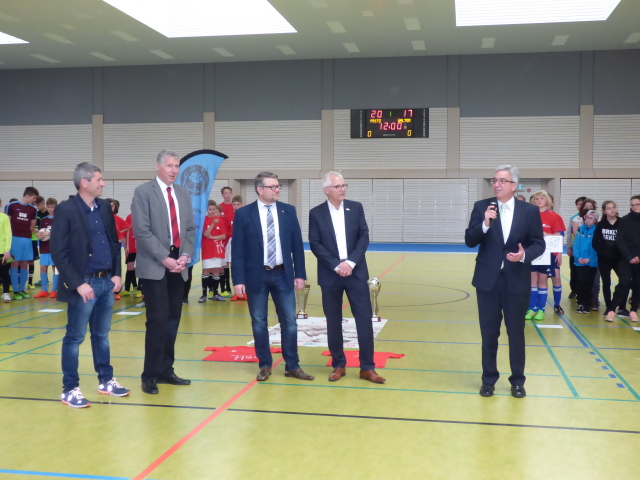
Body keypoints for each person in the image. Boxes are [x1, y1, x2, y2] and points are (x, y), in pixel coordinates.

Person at [50, 162, 130, 408]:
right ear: (84, 182)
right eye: (99, 179)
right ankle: (69, 389)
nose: (102, 183)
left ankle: (105, 380)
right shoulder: (66, 210)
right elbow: (58, 252)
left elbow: (113, 243)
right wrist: (77, 284)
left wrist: (117, 274)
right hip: (83, 284)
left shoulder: (104, 207)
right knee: (74, 337)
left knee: (101, 335)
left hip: (106, 282)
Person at [465, 165, 545, 398]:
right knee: (489, 334)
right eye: (494, 180)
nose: (497, 184)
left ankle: (517, 381)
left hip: (516, 280)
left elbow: (538, 243)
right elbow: (470, 240)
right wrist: (484, 224)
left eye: (502, 180)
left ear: (514, 185)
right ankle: (488, 379)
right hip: (487, 281)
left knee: (516, 333)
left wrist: (524, 256)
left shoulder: (529, 211)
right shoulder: (482, 207)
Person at [232, 172, 314, 382]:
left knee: (290, 322)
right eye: (273, 187)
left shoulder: (288, 211)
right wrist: (238, 279)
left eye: (278, 187)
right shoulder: (243, 214)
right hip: (255, 275)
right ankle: (265, 365)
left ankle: (292, 366)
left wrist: (300, 274)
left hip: (282, 274)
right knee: (259, 322)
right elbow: (238, 250)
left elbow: (297, 245)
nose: (277, 190)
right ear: (260, 189)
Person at [309, 171, 385, 384]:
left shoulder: (356, 208)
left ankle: (367, 368)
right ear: (327, 190)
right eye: (338, 186)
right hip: (330, 275)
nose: (343, 189)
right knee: (333, 322)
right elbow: (315, 243)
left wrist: (350, 262)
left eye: (344, 185)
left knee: (364, 321)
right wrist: (336, 265)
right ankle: (338, 365)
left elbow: (364, 236)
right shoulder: (316, 213)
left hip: (355, 272)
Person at [132, 149, 196, 395]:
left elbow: (190, 229)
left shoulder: (183, 193)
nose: (174, 170)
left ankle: (166, 370)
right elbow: (142, 231)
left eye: (177, 166)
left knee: (172, 322)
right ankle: (149, 375)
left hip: (178, 268)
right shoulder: (143, 192)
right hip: (155, 268)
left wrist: (185, 256)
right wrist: (165, 258)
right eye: (169, 165)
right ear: (158, 166)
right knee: (157, 322)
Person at [525, 190, 565, 321]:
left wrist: (548, 236)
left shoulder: (554, 216)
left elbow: (559, 236)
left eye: (542, 198)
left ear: (547, 200)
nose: (539, 200)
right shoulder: (529, 215)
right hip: (531, 253)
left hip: (546, 254)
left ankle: (541, 309)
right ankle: (532, 308)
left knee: (542, 281)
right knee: (532, 282)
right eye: (536, 198)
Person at [593, 201, 626, 321]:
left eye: (613, 207)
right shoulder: (601, 224)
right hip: (605, 259)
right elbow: (595, 242)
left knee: (624, 281)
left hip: (620, 258)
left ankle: (622, 306)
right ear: (604, 211)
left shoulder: (622, 223)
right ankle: (609, 307)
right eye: (609, 208)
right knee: (606, 283)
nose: (612, 210)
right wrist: (603, 253)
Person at [610, 195, 640, 323]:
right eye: (632, 205)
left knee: (638, 285)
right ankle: (611, 309)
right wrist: (629, 256)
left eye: (637, 204)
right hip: (626, 258)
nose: (634, 207)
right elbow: (619, 240)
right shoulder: (624, 220)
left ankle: (633, 310)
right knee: (624, 283)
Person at [6, 187, 39, 300]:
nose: (34, 200)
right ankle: (15, 291)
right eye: (33, 198)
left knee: (25, 263)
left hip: (27, 240)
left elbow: (32, 226)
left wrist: (26, 233)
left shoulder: (33, 209)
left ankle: (22, 290)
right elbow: (7, 223)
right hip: (14, 238)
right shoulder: (12, 206)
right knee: (15, 263)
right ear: (27, 196)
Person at [200, 200, 227, 303]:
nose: (212, 211)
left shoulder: (220, 220)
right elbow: (206, 234)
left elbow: (223, 236)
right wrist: (212, 224)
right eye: (210, 209)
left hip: (218, 249)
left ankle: (216, 293)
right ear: (207, 210)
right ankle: (204, 294)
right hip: (207, 249)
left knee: (216, 270)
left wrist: (213, 237)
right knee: (206, 270)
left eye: (213, 209)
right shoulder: (204, 220)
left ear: (216, 209)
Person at [573, 210, 599, 314]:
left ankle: (587, 303)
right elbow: (576, 245)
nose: (588, 220)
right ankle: (580, 303)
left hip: (591, 262)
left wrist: (590, 258)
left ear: (595, 220)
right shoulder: (580, 229)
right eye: (587, 218)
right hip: (579, 261)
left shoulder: (597, 230)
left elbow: (596, 247)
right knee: (580, 281)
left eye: (591, 218)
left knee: (589, 283)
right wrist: (578, 257)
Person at [34, 198, 59, 299]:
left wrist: (50, 233)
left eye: (52, 207)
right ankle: (44, 290)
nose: (50, 209)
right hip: (44, 247)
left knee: (55, 268)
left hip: (55, 247)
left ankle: (54, 290)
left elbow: (62, 233)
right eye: (48, 207)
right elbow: (36, 232)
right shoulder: (43, 220)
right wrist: (39, 235)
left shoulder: (60, 219)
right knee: (43, 267)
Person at [567, 196, 587, 299]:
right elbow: (569, 233)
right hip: (576, 248)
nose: (580, 206)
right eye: (578, 204)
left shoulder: (592, 218)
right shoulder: (574, 218)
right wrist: (569, 247)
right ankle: (573, 290)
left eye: (582, 204)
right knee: (574, 270)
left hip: (587, 249)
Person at [228, 195, 247, 301]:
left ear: (242, 205)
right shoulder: (229, 216)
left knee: (244, 267)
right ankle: (237, 292)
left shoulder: (245, 215)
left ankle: (245, 291)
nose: (235, 207)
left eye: (237, 205)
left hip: (243, 244)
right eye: (234, 205)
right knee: (233, 266)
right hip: (232, 243)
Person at [218, 186, 235, 297]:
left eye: (229, 193)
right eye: (225, 193)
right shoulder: (220, 207)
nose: (227, 195)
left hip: (234, 239)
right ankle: (225, 288)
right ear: (222, 195)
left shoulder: (235, 207)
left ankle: (237, 289)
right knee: (224, 264)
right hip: (224, 238)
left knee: (234, 263)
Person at [0, 210, 11, 303]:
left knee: (4, 272)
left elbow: (8, 234)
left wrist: (7, 250)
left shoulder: (4, 217)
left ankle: (6, 293)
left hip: (2, 251)